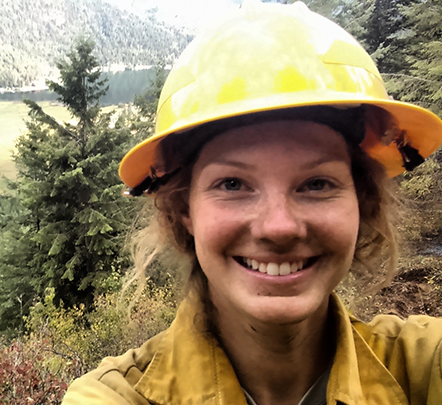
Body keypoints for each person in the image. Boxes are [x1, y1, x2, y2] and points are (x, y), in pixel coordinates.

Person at [62, 1, 442, 404]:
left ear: (361, 202)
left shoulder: (422, 367)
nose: (278, 227)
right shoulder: (116, 396)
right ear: (183, 210)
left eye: (316, 184)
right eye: (231, 184)